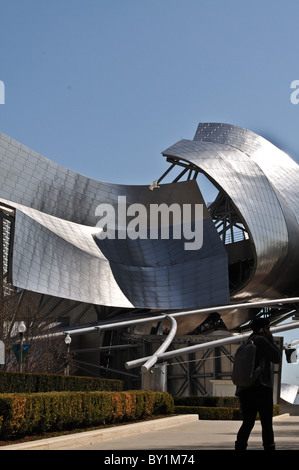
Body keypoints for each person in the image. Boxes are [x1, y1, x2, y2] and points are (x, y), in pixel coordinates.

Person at [235, 317, 281, 451]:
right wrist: (272, 341)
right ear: (262, 330)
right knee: (266, 424)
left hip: (246, 390)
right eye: (268, 328)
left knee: (247, 423)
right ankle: (269, 448)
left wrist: (240, 395)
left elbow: (243, 370)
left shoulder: (247, 342)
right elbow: (276, 358)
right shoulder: (261, 340)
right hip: (261, 388)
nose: (269, 331)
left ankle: (240, 448)